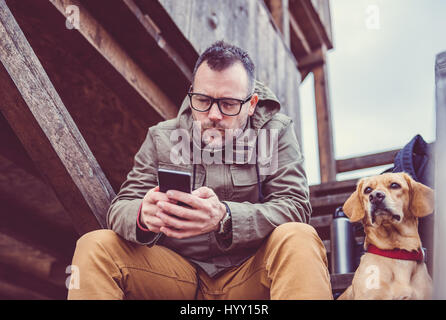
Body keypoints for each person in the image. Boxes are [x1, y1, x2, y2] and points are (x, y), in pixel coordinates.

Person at [68, 41, 333, 300]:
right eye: (204, 100)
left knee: (299, 237)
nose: (214, 114)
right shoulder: (162, 137)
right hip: (175, 275)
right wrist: (141, 215)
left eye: (228, 104)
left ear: (252, 103)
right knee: (95, 246)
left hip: (250, 273)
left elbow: (295, 206)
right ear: (192, 92)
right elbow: (120, 207)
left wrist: (225, 218)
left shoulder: (275, 133)